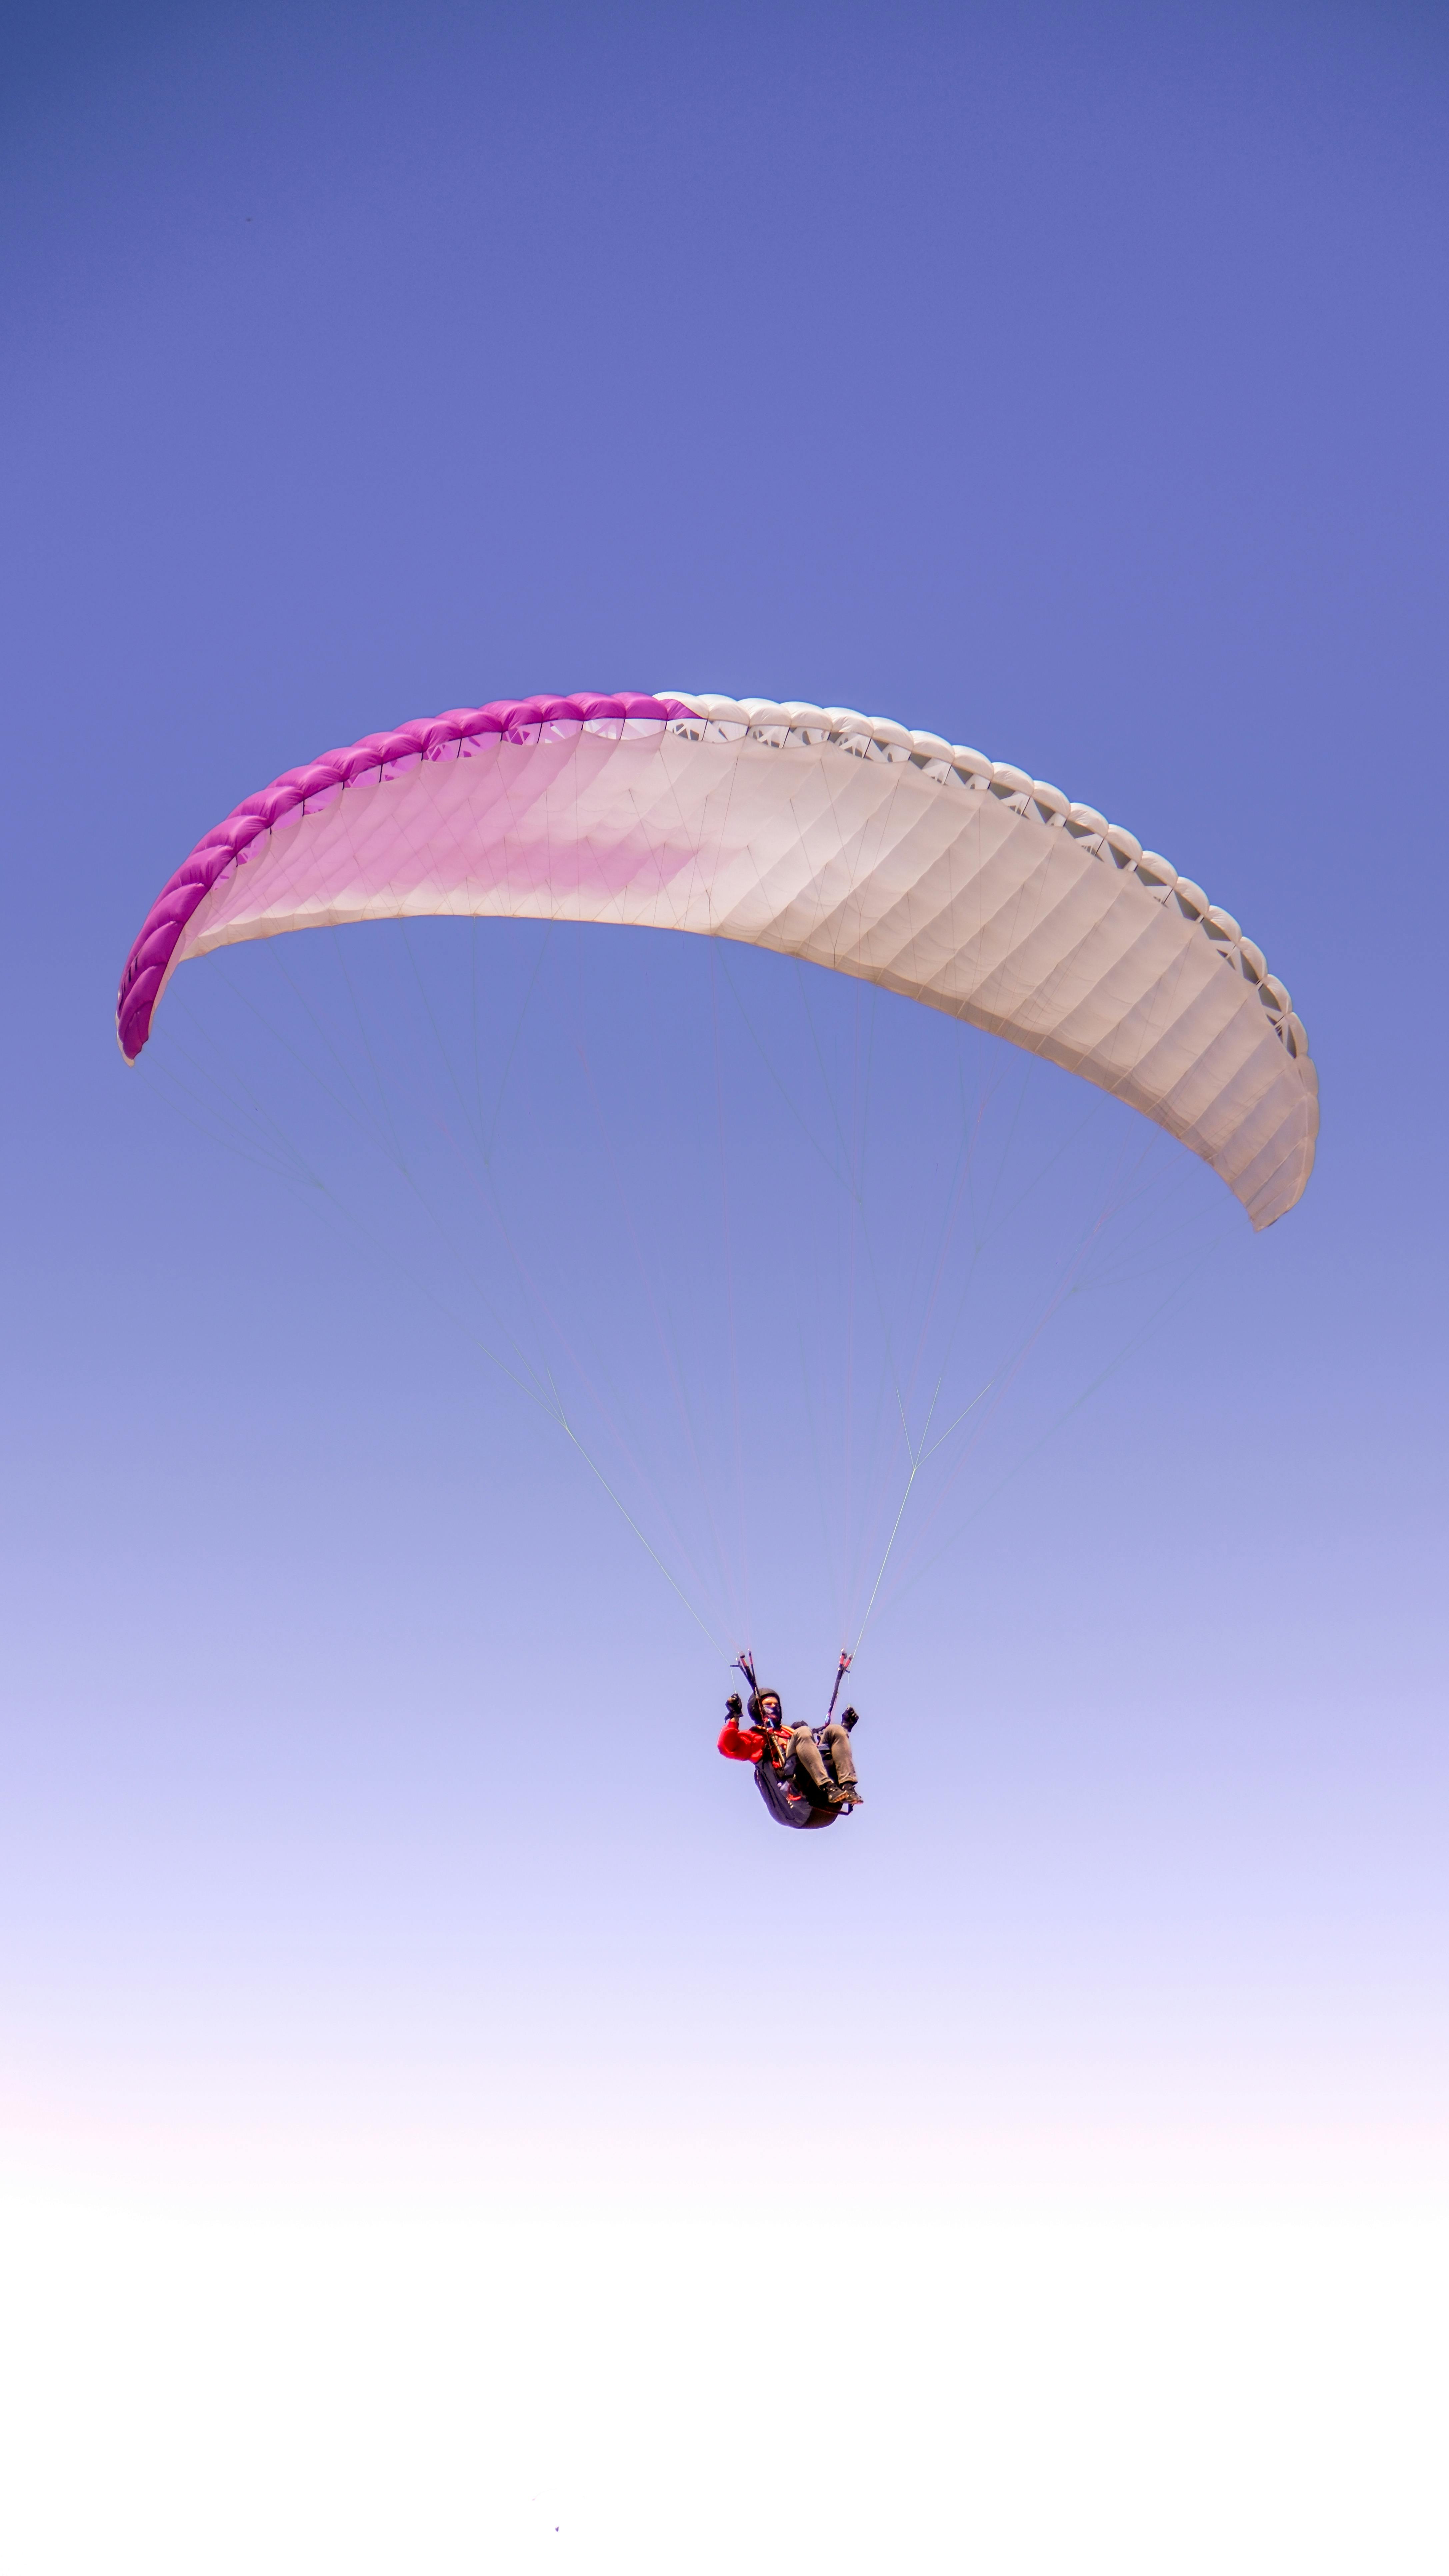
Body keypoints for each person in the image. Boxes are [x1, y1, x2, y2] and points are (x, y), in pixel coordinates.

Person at [717, 1685, 864, 1806]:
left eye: (777, 1705)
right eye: (769, 1705)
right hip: (792, 1781)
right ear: (758, 1710)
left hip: (810, 1772)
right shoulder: (756, 1737)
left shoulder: (789, 1731)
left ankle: (848, 1787)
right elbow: (727, 1747)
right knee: (803, 1732)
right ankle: (828, 1787)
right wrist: (734, 1717)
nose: (774, 1708)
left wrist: (846, 1728)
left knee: (836, 1730)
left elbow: (817, 1754)